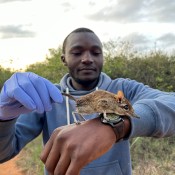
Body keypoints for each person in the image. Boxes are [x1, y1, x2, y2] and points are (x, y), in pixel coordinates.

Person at [0, 27, 175, 175]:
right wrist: (4, 118)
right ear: (63, 59)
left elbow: (171, 102)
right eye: (77, 52)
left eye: (96, 52)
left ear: (103, 57)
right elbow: (3, 153)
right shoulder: (47, 96)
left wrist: (114, 126)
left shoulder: (123, 89)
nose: (87, 58)